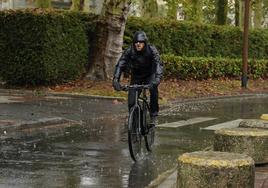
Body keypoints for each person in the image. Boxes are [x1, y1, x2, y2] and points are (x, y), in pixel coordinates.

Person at [112, 31, 163, 125]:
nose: (138, 44)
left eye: (141, 42)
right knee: (131, 102)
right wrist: (116, 79)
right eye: (136, 42)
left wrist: (157, 78)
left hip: (150, 74)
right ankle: (136, 121)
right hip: (137, 76)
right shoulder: (129, 50)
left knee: (153, 89)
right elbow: (120, 64)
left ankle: (153, 115)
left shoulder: (152, 50)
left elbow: (158, 64)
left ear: (145, 43)